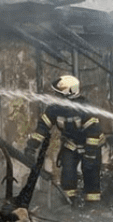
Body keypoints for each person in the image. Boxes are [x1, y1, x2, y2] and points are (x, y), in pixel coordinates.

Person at [26, 75, 103, 204]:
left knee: (91, 175)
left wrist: (89, 156)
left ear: (69, 94)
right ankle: (69, 203)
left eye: (59, 94)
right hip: (71, 145)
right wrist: (31, 147)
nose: (56, 97)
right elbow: (42, 128)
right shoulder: (54, 109)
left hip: (91, 147)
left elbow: (93, 134)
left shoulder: (85, 109)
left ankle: (93, 206)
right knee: (68, 175)